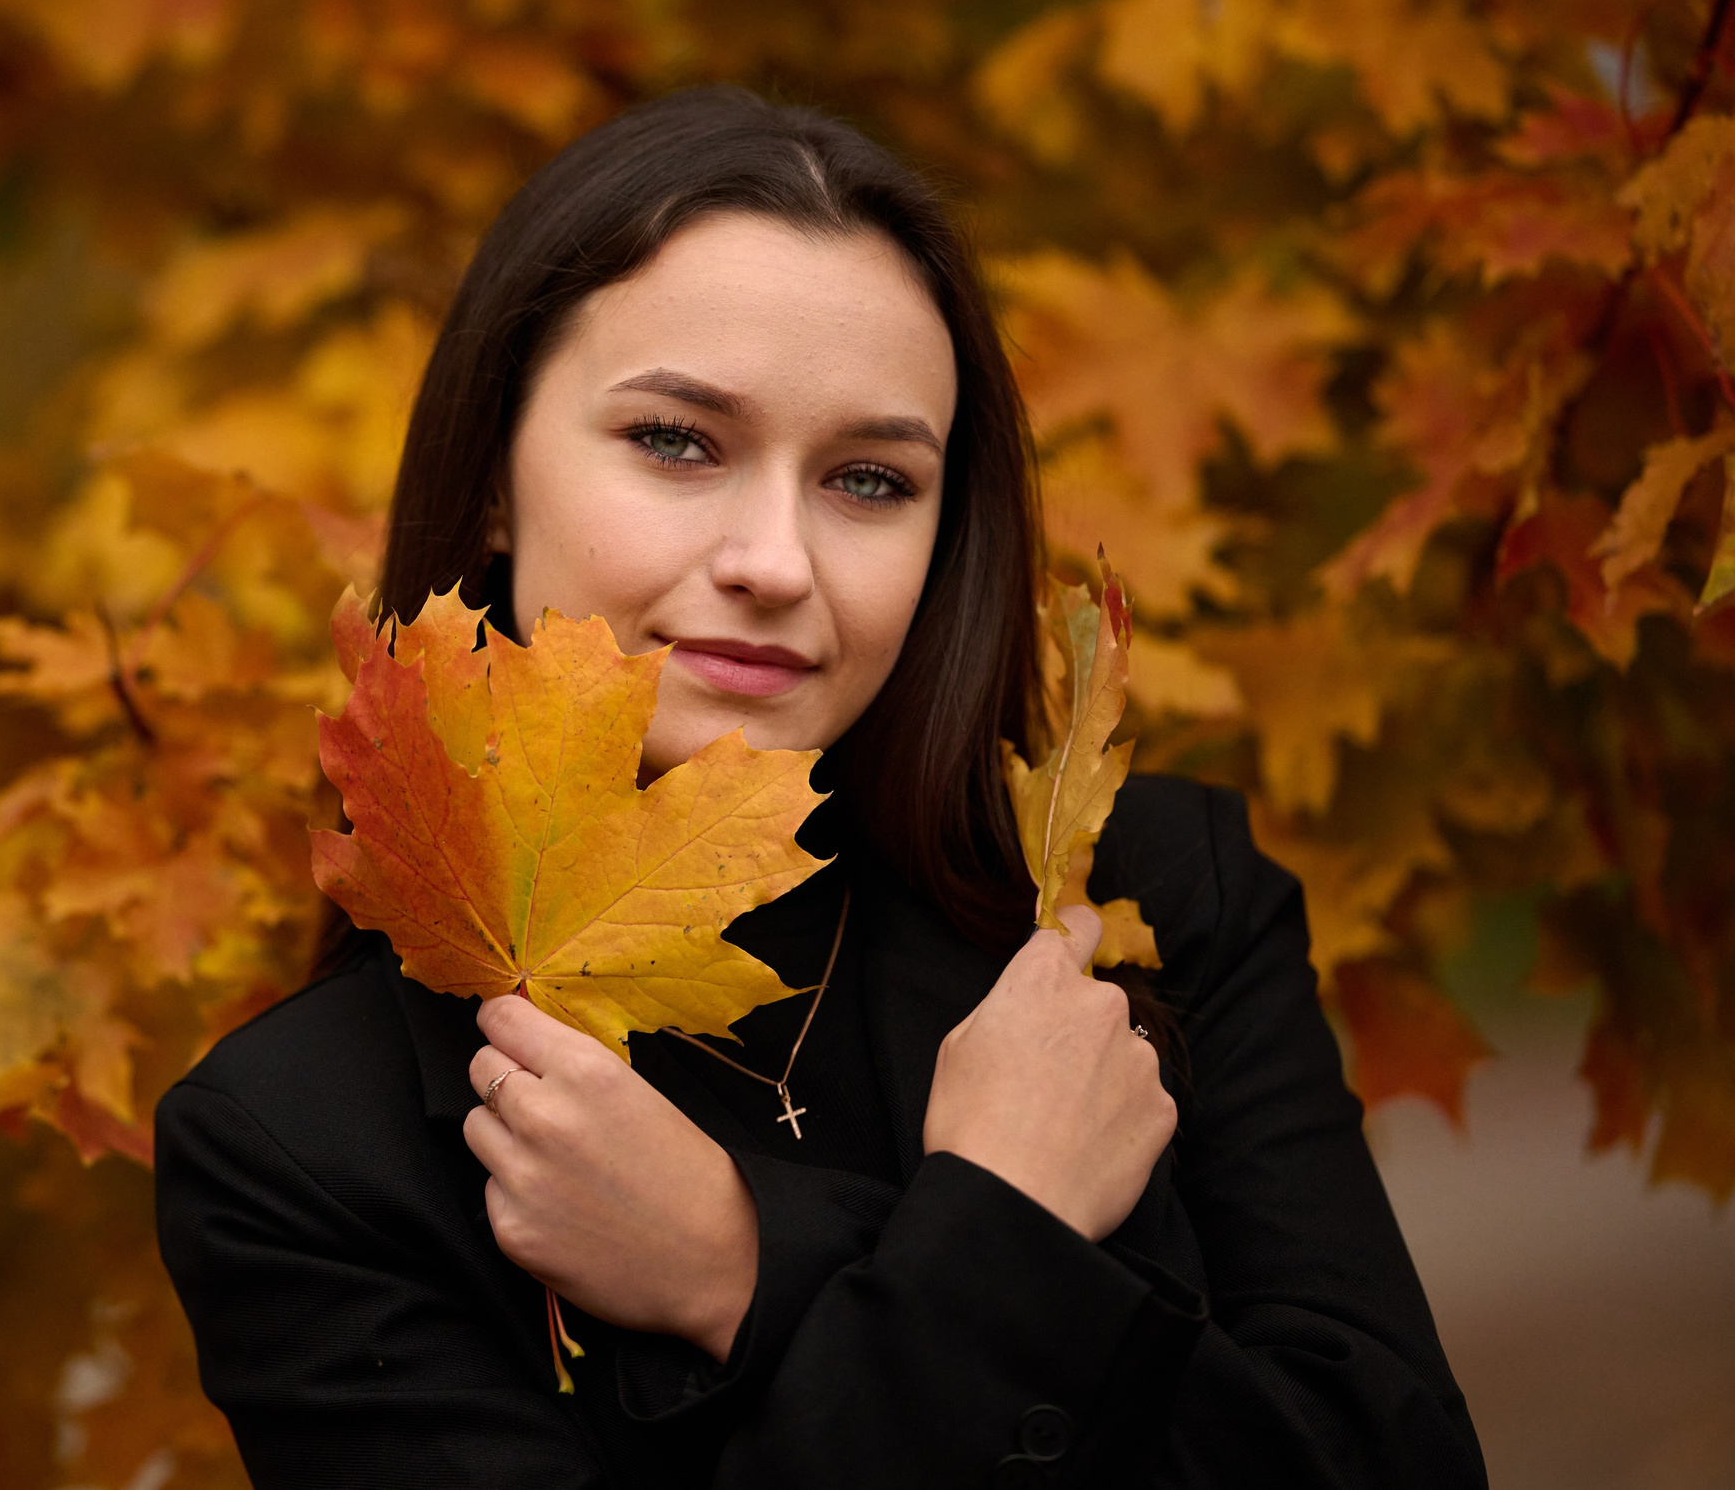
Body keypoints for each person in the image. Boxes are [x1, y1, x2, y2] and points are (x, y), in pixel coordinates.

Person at [153, 87, 1486, 1489]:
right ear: (494, 479)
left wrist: (748, 1266)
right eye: (676, 441)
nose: (776, 561)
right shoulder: (306, 1144)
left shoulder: (1143, 902)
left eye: (867, 479)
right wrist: (1002, 1232)